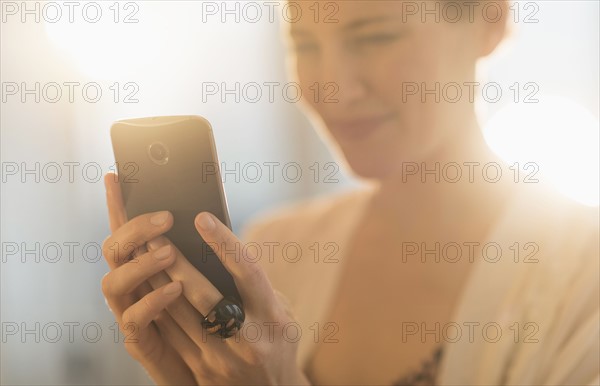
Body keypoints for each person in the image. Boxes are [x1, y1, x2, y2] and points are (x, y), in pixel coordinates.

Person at [101, 1, 599, 384]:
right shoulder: (272, 251)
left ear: (490, 20)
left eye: (376, 37)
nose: (332, 86)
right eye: (305, 45)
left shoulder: (582, 280)